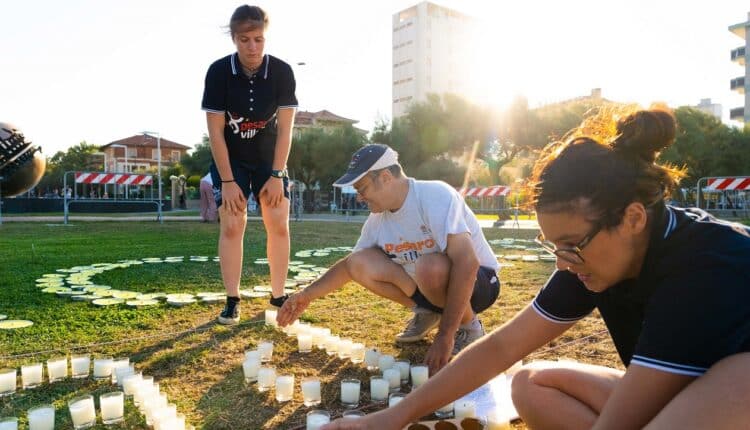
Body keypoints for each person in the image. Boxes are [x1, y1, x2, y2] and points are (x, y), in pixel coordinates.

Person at [320, 107, 750, 430]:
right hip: (683, 388)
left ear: (633, 218)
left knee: (740, 376)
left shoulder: (702, 266)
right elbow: (502, 348)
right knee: (530, 384)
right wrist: (392, 418)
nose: (563, 262)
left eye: (571, 245)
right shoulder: (601, 253)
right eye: (553, 246)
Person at [278, 144, 501, 373]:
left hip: (480, 284)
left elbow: (467, 263)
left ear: (385, 177)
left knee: (428, 266)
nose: (360, 197)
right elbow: (349, 267)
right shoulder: (377, 221)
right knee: (360, 262)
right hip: (432, 289)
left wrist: (445, 335)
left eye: (362, 188)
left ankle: (469, 327)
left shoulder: (433, 195)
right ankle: (428, 312)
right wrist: (306, 296)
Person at [201, 4, 298, 325]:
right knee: (231, 224)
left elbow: (286, 128)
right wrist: (227, 182)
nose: (252, 47)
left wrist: (276, 173)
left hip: (270, 159)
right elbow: (215, 132)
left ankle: (278, 295)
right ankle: (232, 299)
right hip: (232, 160)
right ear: (234, 39)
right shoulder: (218, 72)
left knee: (278, 222)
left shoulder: (282, 72)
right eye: (245, 40)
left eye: (258, 39)